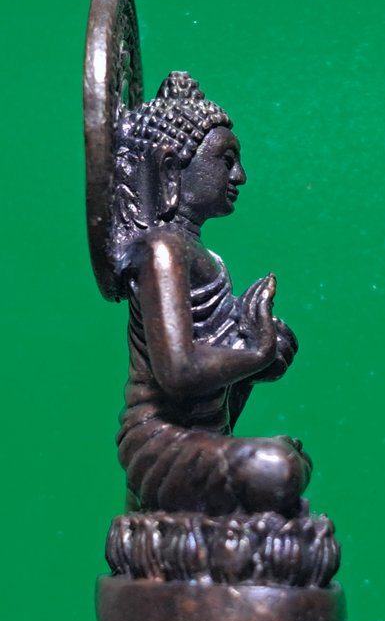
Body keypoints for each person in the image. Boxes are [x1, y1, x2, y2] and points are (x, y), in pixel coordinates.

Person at [115, 71, 311, 517]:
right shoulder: (161, 251)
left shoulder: (201, 255)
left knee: (289, 460)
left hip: (205, 436)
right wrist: (255, 351)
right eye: (226, 160)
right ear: (171, 167)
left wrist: (257, 356)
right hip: (159, 442)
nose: (239, 176)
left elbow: (212, 368)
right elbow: (179, 373)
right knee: (279, 468)